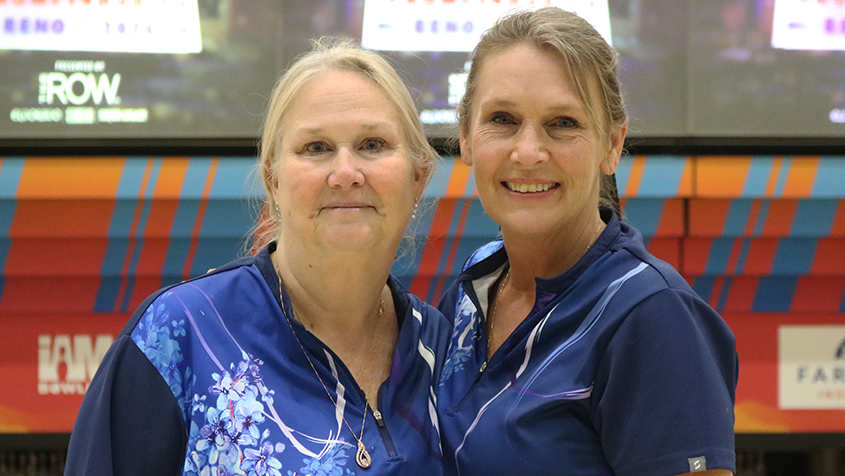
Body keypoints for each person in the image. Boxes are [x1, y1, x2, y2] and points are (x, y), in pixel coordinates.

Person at [64, 38, 449, 476]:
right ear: (274, 182)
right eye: (316, 148)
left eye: (373, 144)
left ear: (418, 178)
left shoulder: (443, 351)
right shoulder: (177, 335)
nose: (345, 173)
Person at [437, 8, 738, 476]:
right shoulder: (472, 286)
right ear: (466, 137)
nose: (528, 152)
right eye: (503, 119)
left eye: (563, 123)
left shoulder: (653, 315)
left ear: (612, 145)